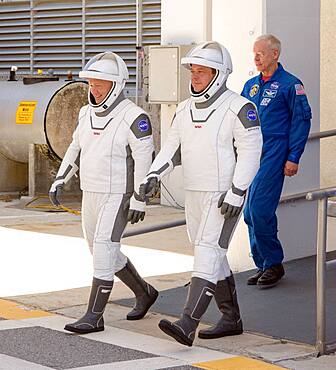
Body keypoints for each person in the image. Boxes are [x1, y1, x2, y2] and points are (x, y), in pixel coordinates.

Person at [140, 41, 262, 346]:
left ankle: (187, 322)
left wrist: (237, 191)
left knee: (207, 251)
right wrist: (155, 173)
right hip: (193, 192)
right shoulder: (183, 109)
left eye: (202, 72)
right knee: (210, 253)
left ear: (219, 75)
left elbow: (251, 152)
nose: (194, 77)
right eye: (192, 71)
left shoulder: (240, 107)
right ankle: (231, 318)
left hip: (223, 195)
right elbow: (171, 148)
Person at [49, 51, 158, 334]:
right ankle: (145, 292)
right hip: (91, 192)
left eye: (100, 84)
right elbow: (76, 148)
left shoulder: (135, 117)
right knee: (99, 250)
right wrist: (60, 179)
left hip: (117, 194)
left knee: (104, 249)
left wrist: (139, 199)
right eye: (91, 84)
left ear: (117, 84)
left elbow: (145, 160)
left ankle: (94, 316)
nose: (93, 90)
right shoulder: (86, 113)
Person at [242, 34, 312, 288]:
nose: (256, 58)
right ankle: (263, 264)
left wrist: (293, 157)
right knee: (249, 213)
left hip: (274, 153)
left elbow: (301, 121)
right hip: (250, 155)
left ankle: (274, 262)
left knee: (258, 209)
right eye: (254, 53)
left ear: (275, 54)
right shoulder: (250, 85)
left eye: (261, 53)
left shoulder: (290, 85)